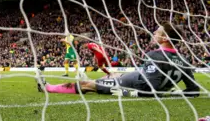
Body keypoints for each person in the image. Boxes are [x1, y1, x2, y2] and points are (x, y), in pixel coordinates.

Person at [38, 23, 200, 98]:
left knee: (86, 86)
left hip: (131, 84)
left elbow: (151, 89)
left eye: (157, 32)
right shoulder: (184, 59)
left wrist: (126, 92)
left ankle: (48, 87)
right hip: (135, 76)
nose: (154, 34)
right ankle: (102, 77)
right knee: (111, 75)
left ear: (164, 37)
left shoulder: (155, 55)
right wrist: (173, 93)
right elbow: (193, 90)